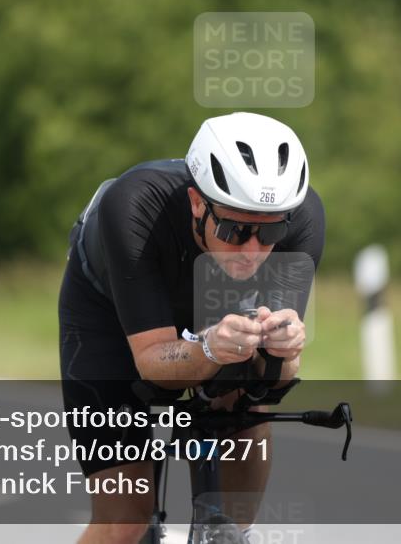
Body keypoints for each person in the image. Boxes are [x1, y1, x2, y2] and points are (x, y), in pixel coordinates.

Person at [59, 112, 325, 544]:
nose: (254, 250)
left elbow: (273, 381)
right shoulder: (132, 205)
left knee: (246, 394)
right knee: (124, 522)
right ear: (198, 204)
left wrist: (288, 350)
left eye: (271, 229)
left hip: (214, 310)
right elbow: (151, 362)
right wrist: (207, 350)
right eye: (237, 229)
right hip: (108, 313)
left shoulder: (304, 218)